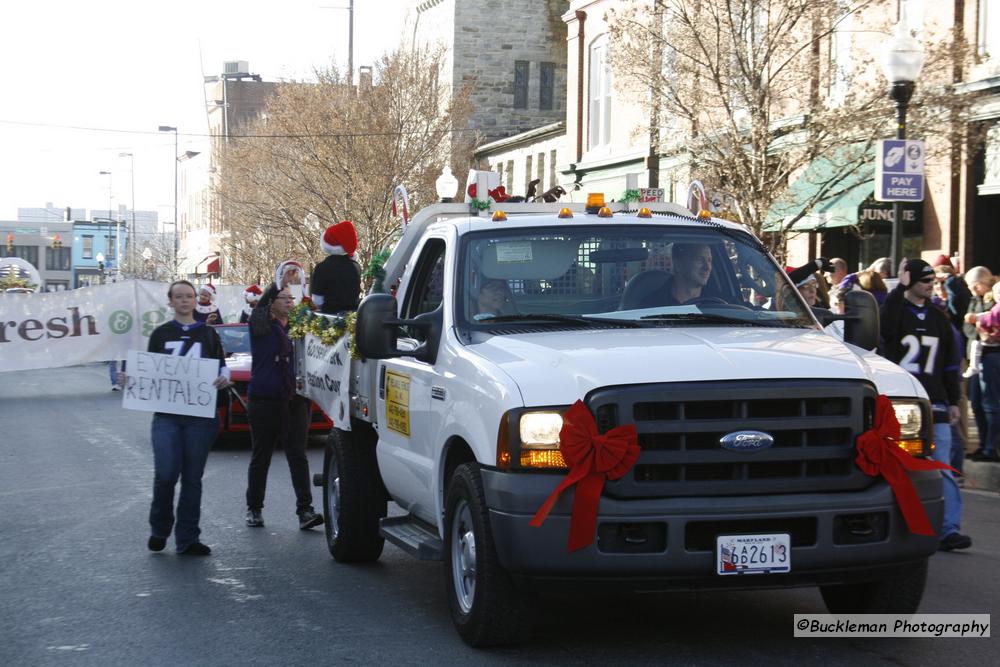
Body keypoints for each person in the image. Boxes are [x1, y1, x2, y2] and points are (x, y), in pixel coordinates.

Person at [879, 258, 971, 551]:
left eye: (933, 281)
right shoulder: (896, 312)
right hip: (902, 402)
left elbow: (949, 363)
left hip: (936, 401)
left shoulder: (939, 319)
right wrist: (898, 289)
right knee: (901, 467)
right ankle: (900, 525)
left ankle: (948, 530)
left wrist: (953, 399)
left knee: (942, 466)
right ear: (911, 282)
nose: (931, 286)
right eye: (924, 281)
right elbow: (885, 328)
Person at [141, 280, 231, 555]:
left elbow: (222, 366)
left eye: (189, 296)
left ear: (195, 301)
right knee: (166, 474)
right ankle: (160, 528)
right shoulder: (159, 335)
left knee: (192, 478)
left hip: (200, 418)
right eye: (178, 296)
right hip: (167, 416)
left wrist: (223, 378)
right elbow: (149, 372)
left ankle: (188, 538)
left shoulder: (208, 334)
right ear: (170, 301)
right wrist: (130, 379)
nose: (184, 300)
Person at [245, 261, 324, 530]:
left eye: (292, 297)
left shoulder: (299, 327)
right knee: (261, 456)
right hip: (265, 400)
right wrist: (276, 283)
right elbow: (260, 310)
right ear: (272, 302)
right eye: (284, 297)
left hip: (295, 401)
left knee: (297, 456)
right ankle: (254, 508)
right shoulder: (260, 326)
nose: (290, 301)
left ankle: (305, 511)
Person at [963, 268, 1000, 462]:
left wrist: (981, 328)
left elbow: (991, 324)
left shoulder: (994, 301)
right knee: (976, 403)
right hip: (977, 353)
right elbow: (967, 326)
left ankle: (990, 448)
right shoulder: (976, 300)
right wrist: (978, 330)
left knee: (990, 404)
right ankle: (984, 444)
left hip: (992, 355)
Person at [311, 220, 362, 315]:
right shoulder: (356, 266)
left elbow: (317, 301)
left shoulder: (322, 268)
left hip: (329, 319)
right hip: (352, 318)